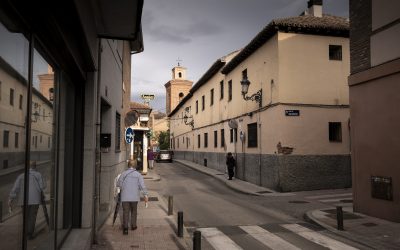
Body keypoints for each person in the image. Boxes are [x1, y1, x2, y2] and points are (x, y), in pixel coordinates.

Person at [9, 161, 46, 239]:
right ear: (35, 166)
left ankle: (26, 232)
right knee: (32, 217)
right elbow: (42, 187)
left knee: (26, 217)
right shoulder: (38, 174)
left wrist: (11, 198)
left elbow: (15, 188)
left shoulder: (21, 176)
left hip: (24, 200)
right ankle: (29, 234)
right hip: (35, 199)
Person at [117, 160, 148, 235]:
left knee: (125, 212)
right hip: (134, 197)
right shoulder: (138, 175)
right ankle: (133, 226)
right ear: (135, 166)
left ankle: (125, 229)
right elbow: (142, 186)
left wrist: (124, 187)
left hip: (125, 197)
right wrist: (145, 195)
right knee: (134, 211)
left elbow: (119, 184)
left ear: (128, 165)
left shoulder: (123, 174)